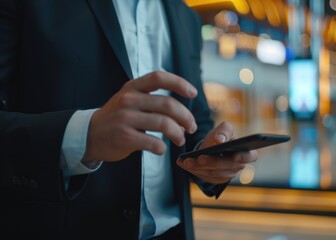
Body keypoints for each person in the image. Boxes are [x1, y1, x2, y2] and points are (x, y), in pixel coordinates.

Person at [0, 0, 258, 239]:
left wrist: (211, 155)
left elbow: (195, 120)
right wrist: (83, 136)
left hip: (172, 231)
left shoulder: (185, 17)